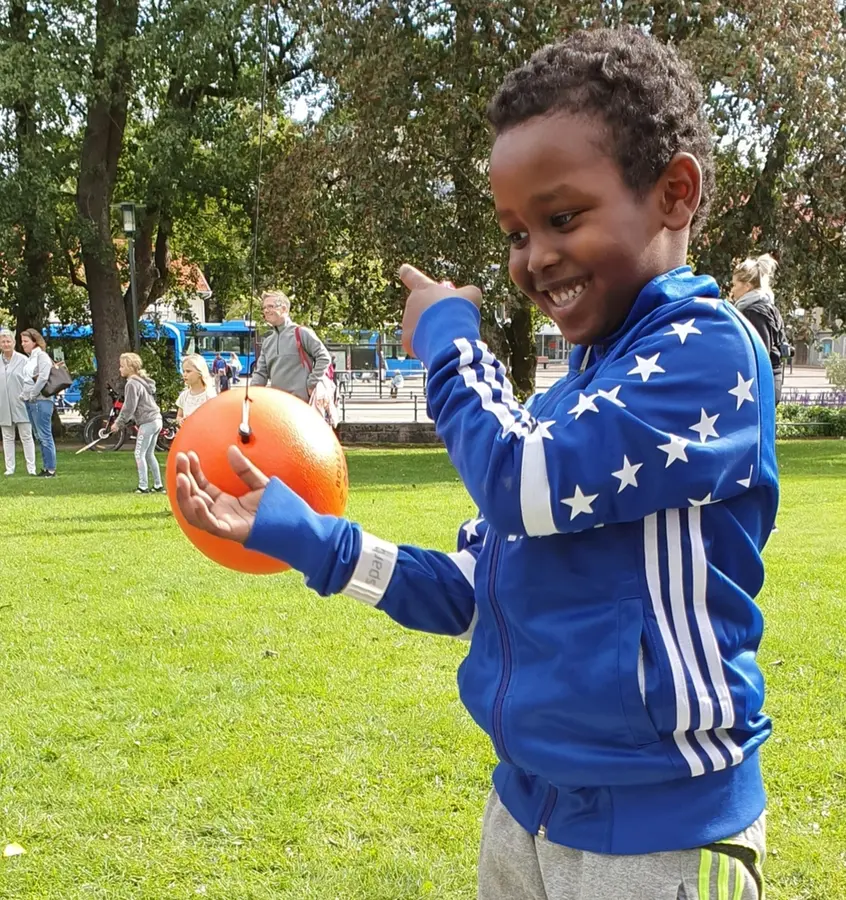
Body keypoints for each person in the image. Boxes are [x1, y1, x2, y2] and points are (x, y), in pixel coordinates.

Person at [175, 29, 776, 900]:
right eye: (516, 231)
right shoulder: (575, 393)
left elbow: (521, 485)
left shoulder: (706, 353)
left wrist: (451, 344)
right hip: (526, 811)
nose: (533, 257)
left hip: (663, 834)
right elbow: (473, 589)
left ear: (673, 193)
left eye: (562, 217)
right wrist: (302, 536)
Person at [251, 291, 332, 402]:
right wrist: (250, 395)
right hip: (278, 406)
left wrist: (311, 384)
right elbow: (260, 373)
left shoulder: (302, 333)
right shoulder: (267, 342)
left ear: (284, 309)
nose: (266, 310)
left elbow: (324, 357)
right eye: (264, 307)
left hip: (302, 406)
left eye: (270, 306)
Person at [731, 254, 789, 403]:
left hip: (761, 385)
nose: (732, 291)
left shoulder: (754, 312)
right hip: (771, 380)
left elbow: (759, 355)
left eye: (735, 285)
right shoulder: (767, 306)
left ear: (748, 286)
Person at [111, 353, 164, 494]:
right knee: (149, 454)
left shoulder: (132, 384)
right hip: (156, 419)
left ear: (130, 367)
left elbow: (129, 407)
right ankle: (158, 485)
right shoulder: (142, 382)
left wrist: (118, 423)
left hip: (147, 422)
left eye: (122, 366)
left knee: (139, 454)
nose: (119, 369)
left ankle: (143, 486)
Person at [19, 328, 57, 477]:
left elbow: (43, 377)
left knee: (45, 434)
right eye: (22, 341)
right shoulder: (30, 358)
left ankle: (51, 468)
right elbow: (27, 380)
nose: (23, 344)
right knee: (39, 435)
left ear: (35, 342)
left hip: (41, 401)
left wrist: (33, 394)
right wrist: (24, 395)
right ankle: (47, 466)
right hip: (31, 400)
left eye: (26, 341)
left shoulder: (42, 356)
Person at [0, 329, 37, 476]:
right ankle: (10, 468)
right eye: (3, 341)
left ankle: (31, 468)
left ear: (14, 343)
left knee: (26, 437)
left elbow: (30, 381)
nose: (6, 344)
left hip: (21, 404)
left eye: (8, 341)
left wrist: (26, 396)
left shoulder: (23, 360)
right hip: (3, 405)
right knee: (7, 438)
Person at [176, 354, 216, 425]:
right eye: (183, 371)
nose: (184, 374)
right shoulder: (184, 395)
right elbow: (179, 416)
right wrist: (180, 420)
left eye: (188, 371)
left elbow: (214, 419)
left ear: (200, 373)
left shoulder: (209, 395)